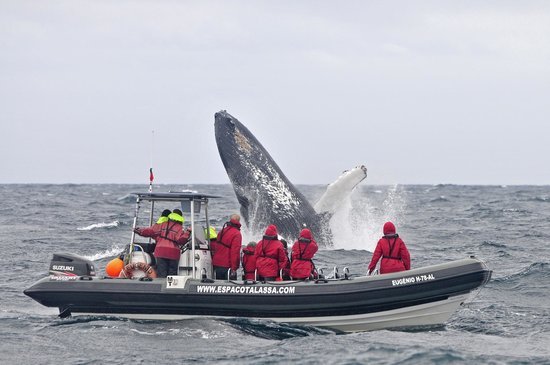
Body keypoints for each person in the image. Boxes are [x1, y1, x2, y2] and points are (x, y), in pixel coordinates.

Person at [134, 208, 190, 278]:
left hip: (160, 251)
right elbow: (181, 240)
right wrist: (188, 232)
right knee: (172, 275)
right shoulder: (179, 228)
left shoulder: (163, 225)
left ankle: (160, 287)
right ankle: (170, 288)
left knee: (161, 273)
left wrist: (139, 231)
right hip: (173, 253)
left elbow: (150, 231)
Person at [212, 214, 242, 280]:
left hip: (217, 263)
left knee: (219, 286)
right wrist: (234, 268)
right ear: (238, 221)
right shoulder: (237, 234)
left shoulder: (221, 231)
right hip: (227, 265)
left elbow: (216, 247)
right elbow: (235, 252)